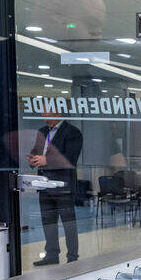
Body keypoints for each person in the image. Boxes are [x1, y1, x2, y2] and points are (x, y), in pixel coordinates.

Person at [29, 114, 83, 266]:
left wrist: (47, 160)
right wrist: (32, 160)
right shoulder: (42, 132)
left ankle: (72, 257)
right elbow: (35, 152)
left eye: (47, 112)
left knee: (68, 223)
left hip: (63, 186)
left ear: (58, 113)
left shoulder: (73, 132)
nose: (43, 116)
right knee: (48, 222)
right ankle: (52, 255)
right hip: (44, 184)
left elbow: (71, 158)